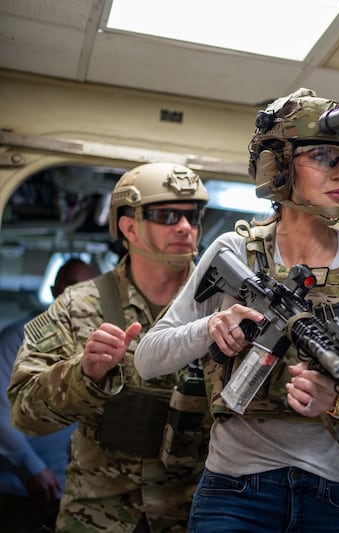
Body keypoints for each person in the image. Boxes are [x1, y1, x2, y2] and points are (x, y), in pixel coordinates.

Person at [134, 88, 339, 532]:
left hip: (334, 498)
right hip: (235, 493)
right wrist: (211, 327)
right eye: (322, 156)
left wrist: (338, 400)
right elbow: (147, 358)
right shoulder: (234, 251)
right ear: (277, 167)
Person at [8, 162, 210, 532]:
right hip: (97, 517)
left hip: (194, 517)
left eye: (192, 216)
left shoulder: (223, 307)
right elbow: (25, 415)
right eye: (167, 216)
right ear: (129, 227)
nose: (185, 227)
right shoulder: (77, 307)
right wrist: (83, 374)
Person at [0, 258, 96, 533]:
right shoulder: (18, 339)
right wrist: (31, 468)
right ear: (55, 290)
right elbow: (0, 414)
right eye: (72, 285)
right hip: (19, 491)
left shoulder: (93, 345)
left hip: (69, 495)